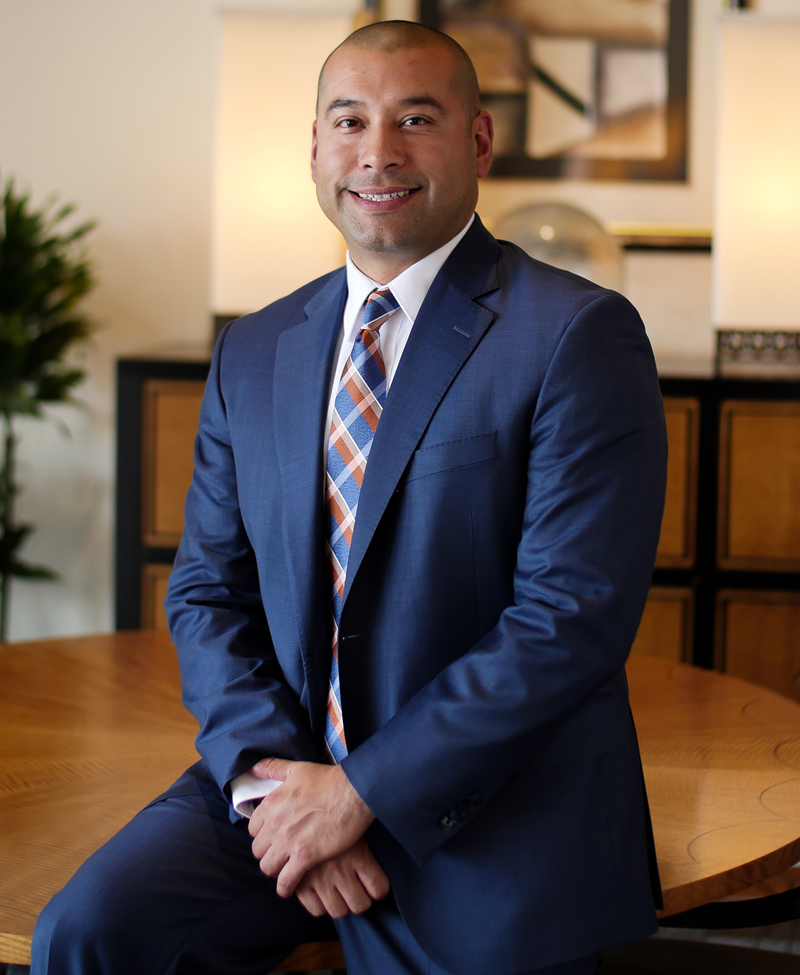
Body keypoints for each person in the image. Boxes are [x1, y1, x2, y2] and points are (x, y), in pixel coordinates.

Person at [32, 20, 667, 975]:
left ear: (479, 141)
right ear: (316, 148)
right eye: (350, 121)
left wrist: (359, 793)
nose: (379, 152)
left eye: (416, 118)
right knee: (88, 932)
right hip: (281, 779)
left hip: (486, 803)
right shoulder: (256, 347)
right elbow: (206, 592)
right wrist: (275, 791)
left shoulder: (577, 334)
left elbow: (570, 616)